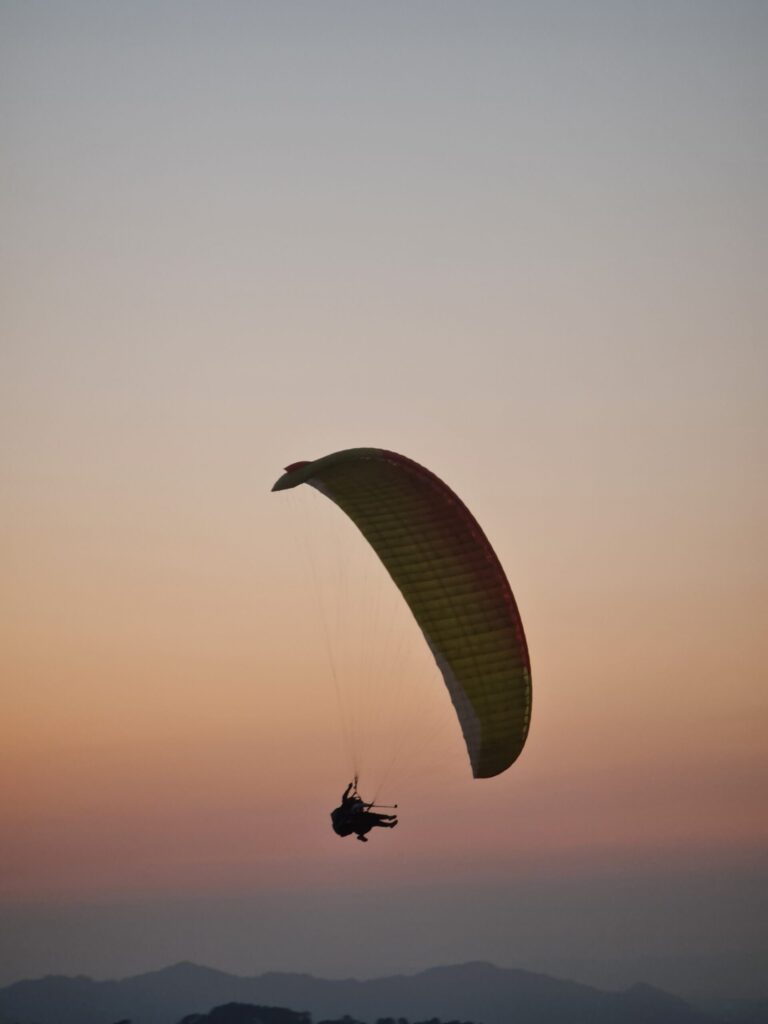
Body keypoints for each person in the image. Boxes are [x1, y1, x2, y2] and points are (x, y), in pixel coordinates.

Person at [330, 778, 398, 842]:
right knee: (368, 817)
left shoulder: (354, 813)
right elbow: (348, 800)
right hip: (342, 827)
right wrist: (349, 788)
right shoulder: (347, 806)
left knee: (371, 819)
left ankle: (388, 822)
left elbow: (359, 807)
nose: (361, 809)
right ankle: (388, 819)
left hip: (353, 827)